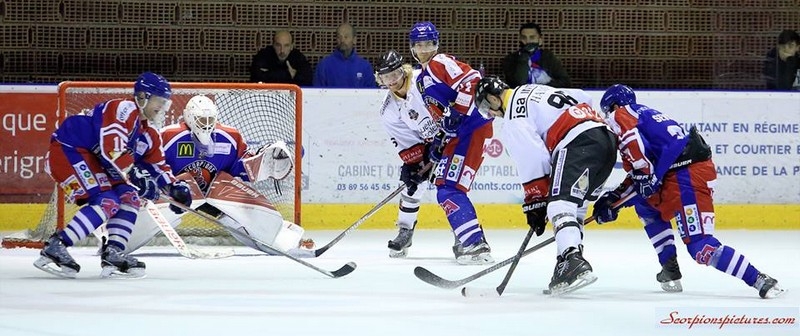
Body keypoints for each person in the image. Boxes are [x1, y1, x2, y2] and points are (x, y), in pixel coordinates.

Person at [593, 84, 786, 299]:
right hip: (678, 174)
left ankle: (758, 278)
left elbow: (652, 156)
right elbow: (644, 177)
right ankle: (670, 268)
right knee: (646, 204)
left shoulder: (621, 114)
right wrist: (613, 200)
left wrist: (650, 178)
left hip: (687, 177)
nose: (608, 118)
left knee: (700, 247)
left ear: (615, 105)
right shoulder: (645, 115)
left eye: (607, 111)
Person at [34, 72, 192, 279]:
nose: (163, 108)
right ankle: (57, 245)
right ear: (143, 97)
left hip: (98, 162)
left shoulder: (149, 133)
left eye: (166, 103)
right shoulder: (123, 109)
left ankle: (114, 252)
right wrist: (136, 175)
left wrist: (174, 188)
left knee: (130, 198)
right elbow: (112, 148)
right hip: (70, 150)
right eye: (159, 102)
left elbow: (158, 166)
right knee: (107, 201)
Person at [474, 76, 617, 295]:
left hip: (578, 142)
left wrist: (536, 201)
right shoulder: (529, 88)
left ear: (494, 98)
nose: (490, 115)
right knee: (573, 208)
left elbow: (533, 157)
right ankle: (565, 262)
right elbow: (581, 97)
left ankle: (573, 260)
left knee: (558, 205)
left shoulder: (513, 117)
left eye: (487, 108)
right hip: (605, 139)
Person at [122, 95, 312, 256]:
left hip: (217, 193)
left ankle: (284, 240)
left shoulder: (229, 136)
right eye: (201, 120)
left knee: (239, 220)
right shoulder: (168, 135)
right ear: (188, 117)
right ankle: (120, 239)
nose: (206, 125)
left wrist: (263, 161)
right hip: (179, 194)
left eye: (209, 120)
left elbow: (241, 167)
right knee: (151, 217)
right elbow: (149, 162)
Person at [408, 21, 494, 265]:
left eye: (428, 44)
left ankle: (474, 242)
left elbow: (473, 80)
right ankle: (466, 237)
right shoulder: (422, 79)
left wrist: (457, 112)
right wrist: (438, 141)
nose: (424, 49)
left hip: (472, 128)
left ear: (436, 44)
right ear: (412, 48)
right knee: (446, 185)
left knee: (449, 187)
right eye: (419, 45)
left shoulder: (439, 62)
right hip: (463, 134)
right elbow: (443, 115)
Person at [374, 50, 440, 258]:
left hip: (456, 136)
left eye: (395, 74)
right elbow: (407, 140)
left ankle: (466, 236)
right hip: (433, 145)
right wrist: (413, 164)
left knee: (452, 187)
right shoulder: (388, 111)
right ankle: (405, 231)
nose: (392, 80)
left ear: (403, 70)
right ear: (380, 79)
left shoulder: (424, 81)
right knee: (413, 187)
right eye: (386, 77)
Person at [502, 22, 571, 89]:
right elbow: (515, 83)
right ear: (520, 39)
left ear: (540, 40)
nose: (528, 41)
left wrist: (542, 88)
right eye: (524, 38)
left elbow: (565, 82)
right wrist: (524, 58)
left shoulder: (549, 57)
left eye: (532, 37)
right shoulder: (511, 59)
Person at [313, 23, 376, 88]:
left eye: (346, 37)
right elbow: (318, 94)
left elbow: (371, 94)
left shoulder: (365, 67)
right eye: (339, 37)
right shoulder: (324, 65)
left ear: (354, 40)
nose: (342, 40)